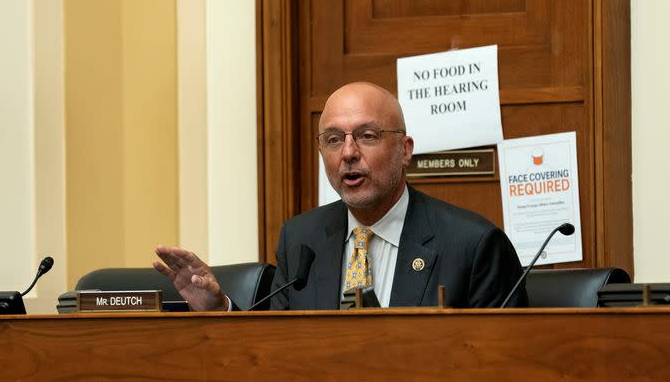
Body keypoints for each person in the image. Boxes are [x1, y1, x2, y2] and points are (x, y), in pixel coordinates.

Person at [154, 82, 527, 310]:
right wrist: (220, 309)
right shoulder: (303, 239)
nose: (348, 153)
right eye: (334, 140)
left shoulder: (473, 245)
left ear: (405, 149)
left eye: (367, 135)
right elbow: (275, 352)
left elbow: (505, 363)